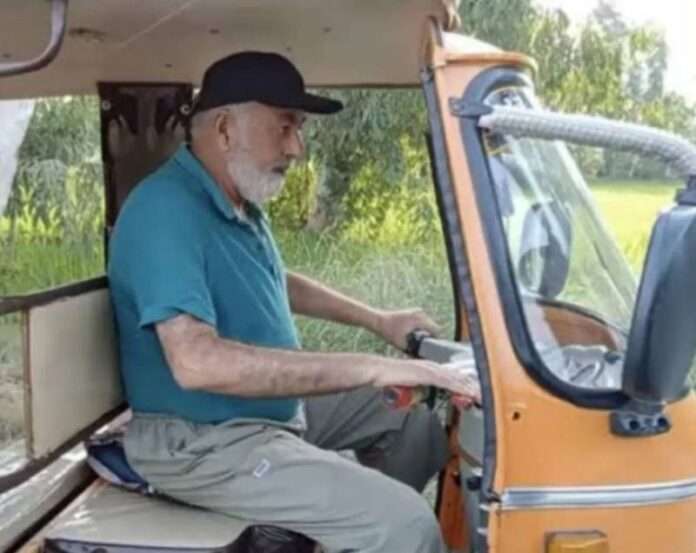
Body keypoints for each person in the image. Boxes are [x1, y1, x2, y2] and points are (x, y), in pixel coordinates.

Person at [108, 51, 480, 553]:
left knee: (414, 422)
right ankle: (374, 524)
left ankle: (341, 527)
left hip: (261, 414)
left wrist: (379, 321)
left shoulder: (235, 203)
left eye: (298, 129)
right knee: (407, 525)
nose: (297, 148)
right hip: (202, 440)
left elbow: (272, 279)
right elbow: (197, 363)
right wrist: (371, 367)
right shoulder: (165, 210)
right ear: (225, 130)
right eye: (285, 127)